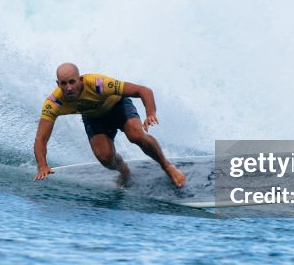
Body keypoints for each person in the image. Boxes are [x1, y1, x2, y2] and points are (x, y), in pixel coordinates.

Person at [33, 63, 186, 188]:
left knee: (136, 136)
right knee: (105, 158)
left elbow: (143, 90)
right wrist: (42, 166)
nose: (68, 88)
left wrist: (150, 113)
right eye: (63, 83)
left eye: (72, 82)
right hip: (95, 118)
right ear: (58, 84)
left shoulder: (99, 84)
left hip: (118, 107)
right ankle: (124, 171)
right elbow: (41, 138)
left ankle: (167, 166)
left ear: (80, 80)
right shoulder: (54, 103)